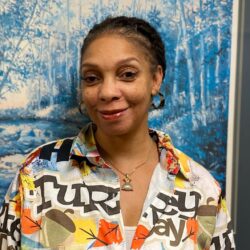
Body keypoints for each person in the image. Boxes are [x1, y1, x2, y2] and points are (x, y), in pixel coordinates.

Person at [0, 16, 235, 249]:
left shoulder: (202, 190)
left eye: (127, 74)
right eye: (92, 78)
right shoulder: (37, 174)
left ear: (155, 79)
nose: (108, 92)